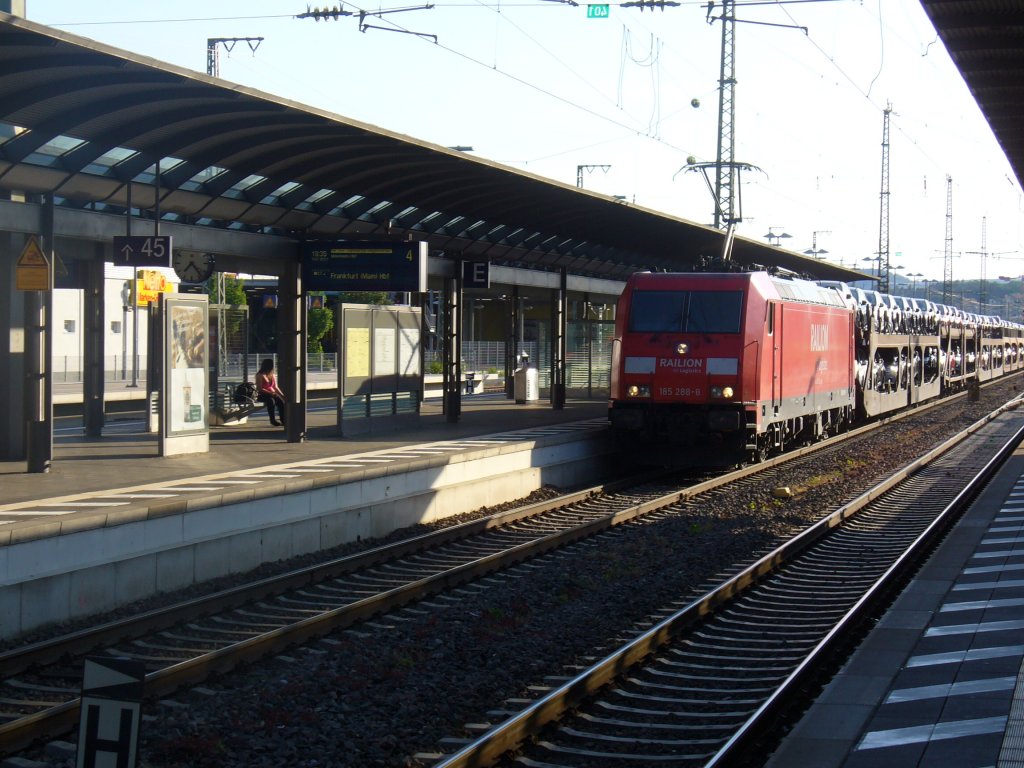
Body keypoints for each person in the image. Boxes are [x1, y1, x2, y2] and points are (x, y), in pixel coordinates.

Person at [255, 359, 286, 427]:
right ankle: (272, 420)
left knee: (281, 402)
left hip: (272, 394)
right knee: (271, 402)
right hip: (263, 394)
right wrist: (270, 393)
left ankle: (283, 419)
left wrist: (282, 396)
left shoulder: (272, 375)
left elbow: (275, 387)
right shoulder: (260, 375)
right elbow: (259, 388)